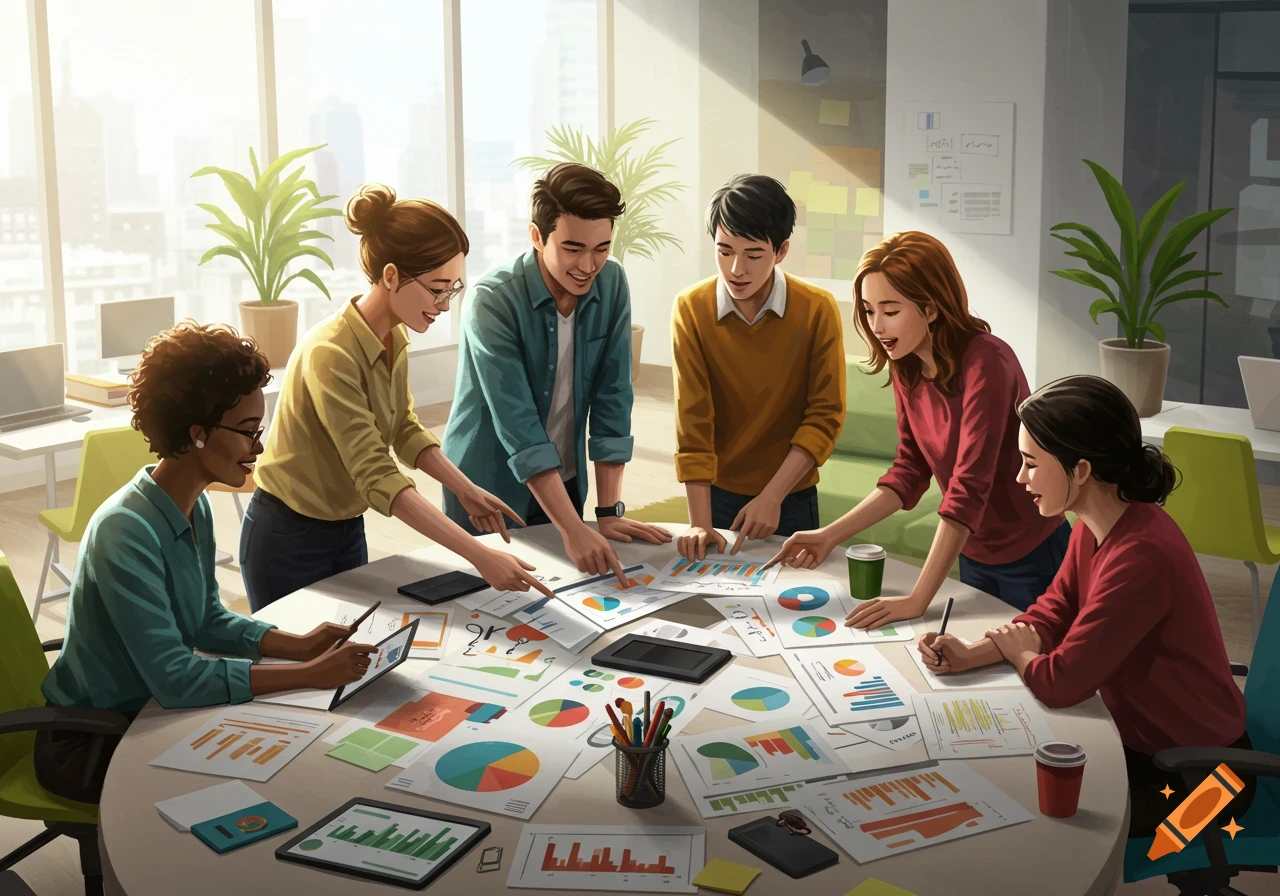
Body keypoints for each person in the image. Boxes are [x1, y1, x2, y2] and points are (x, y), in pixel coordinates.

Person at [37, 323, 377, 804]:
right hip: (96, 741)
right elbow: (176, 679)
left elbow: (205, 620)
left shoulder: (192, 505)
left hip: (150, 715)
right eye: (245, 432)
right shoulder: (126, 530)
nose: (257, 448)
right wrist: (308, 673)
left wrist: (299, 647)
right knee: (288, 773)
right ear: (196, 433)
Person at [917, 374, 1256, 839]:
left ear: (1079, 470)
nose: (1020, 478)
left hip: (1205, 777)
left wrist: (1019, 654)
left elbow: (1062, 681)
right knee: (1006, 787)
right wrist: (976, 652)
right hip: (1146, 747)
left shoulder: (1141, 556)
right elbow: (1054, 611)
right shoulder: (1095, 524)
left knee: (1037, 821)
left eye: (1031, 464)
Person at [242, 184, 555, 611]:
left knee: (351, 651)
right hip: (288, 535)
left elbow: (404, 429)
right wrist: (478, 554)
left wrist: (465, 490)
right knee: (299, 665)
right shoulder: (330, 353)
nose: (444, 305)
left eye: (453, 289)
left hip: (346, 526)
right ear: (391, 275)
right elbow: (375, 472)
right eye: (436, 289)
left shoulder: (393, 336)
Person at [768, 231, 1068, 624]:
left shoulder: (988, 361)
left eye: (890, 311)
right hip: (971, 549)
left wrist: (917, 600)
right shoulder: (906, 364)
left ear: (929, 308)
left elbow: (968, 486)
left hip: (1032, 552)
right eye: (869, 310)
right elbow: (910, 470)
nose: (877, 325)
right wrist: (830, 535)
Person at [443, 163, 670, 586]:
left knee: (568, 597)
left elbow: (613, 396)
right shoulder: (492, 300)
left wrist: (606, 512)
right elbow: (519, 425)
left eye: (601, 248)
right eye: (572, 248)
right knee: (488, 608)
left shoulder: (612, 282)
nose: (589, 265)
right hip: (487, 487)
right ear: (536, 236)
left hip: (563, 480)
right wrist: (571, 527)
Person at [672, 174, 846, 560]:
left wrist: (772, 496)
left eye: (753, 255)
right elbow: (693, 420)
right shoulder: (691, 308)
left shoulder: (817, 309)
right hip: (715, 494)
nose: (736, 269)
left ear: (781, 250)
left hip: (791, 495)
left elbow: (825, 416)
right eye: (724, 251)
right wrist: (699, 522)